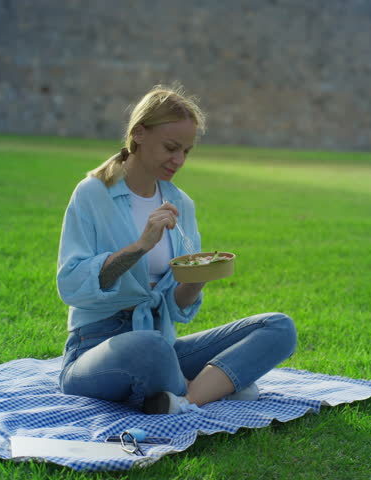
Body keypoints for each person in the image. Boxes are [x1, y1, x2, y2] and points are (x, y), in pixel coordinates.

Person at [56, 84, 297, 414]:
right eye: (171, 148)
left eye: (186, 151)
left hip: (162, 344)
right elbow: (71, 285)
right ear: (139, 133)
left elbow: (176, 306)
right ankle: (221, 385)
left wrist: (196, 279)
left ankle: (185, 399)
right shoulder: (93, 193)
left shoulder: (180, 203)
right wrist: (141, 246)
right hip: (95, 348)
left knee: (279, 327)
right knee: (150, 347)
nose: (179, 160)